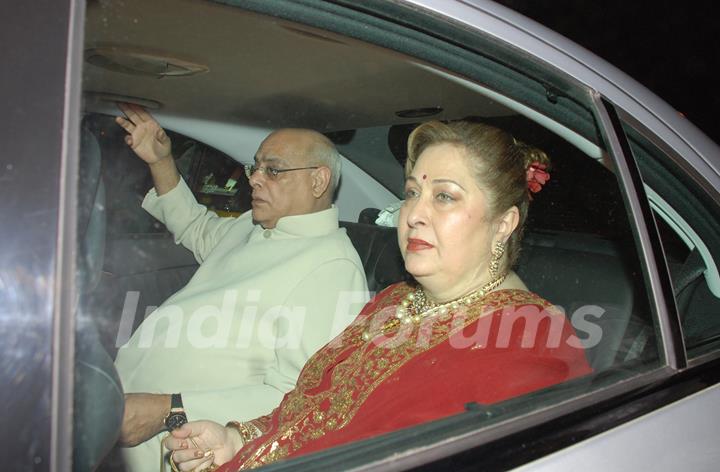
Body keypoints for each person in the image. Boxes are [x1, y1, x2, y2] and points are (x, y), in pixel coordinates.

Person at [163, 120, 593, 471]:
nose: (414, 214)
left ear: (504, 223)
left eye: (444, 196)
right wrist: (236, 438)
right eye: (411, 193)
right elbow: (309, 409)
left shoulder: (532, 342)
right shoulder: (393, 302)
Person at [112, 103, 369, 471]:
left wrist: (168, 410)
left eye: (274, 170)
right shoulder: (252, 225)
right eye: (256, 167)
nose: (255, 178)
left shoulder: (332, 268)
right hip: (120, 418)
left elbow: (301, 399)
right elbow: (195, 227)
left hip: (176, 447)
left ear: (318, 181)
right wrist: (160, 161)